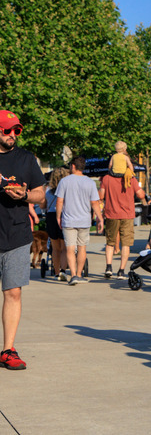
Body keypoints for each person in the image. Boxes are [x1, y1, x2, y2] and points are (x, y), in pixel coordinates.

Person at [0, 109, 46, 370]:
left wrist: (24, 195)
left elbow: (40, 194)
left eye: (16, 130)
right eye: (7, 130)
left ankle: (8, 350)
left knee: (13, 292)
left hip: (17, 234)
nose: (12, 135)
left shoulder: (26, 159)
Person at [56, 156, 104, 285]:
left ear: (73, 166)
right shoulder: (90, 183)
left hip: (68, 220)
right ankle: (79, 274)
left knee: (70, 249)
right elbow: (95, 203)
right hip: (84, 220)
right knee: (82, 248)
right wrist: (100, 218)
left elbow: (60, 201)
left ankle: (72, 275)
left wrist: (58, 216)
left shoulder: (64, 181)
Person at [100, 166, 145, 280]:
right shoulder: (131, 179)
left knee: (110, 242)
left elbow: (101, 196)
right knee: (126, 243)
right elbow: (141, 195)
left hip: (111, 214)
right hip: (127, 214)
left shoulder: (106, 178)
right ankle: (121, 271)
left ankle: (108, 267)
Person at [44, 167, 70, 281]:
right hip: (65, 216)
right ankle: (63, 271)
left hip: (51, 217)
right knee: (65, 247)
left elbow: (43, 206)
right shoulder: (68, 190)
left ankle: (56, 272)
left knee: (55, 248)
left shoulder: (48, 191)